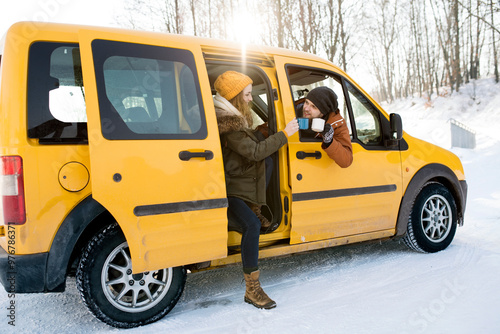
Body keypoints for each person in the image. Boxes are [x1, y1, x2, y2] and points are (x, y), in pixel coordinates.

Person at [213, 70, 299, 309]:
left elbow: (251, 147)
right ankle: (253, 289)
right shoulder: (229, 125)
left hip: (236, 181)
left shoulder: (233, 120)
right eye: (248, 95)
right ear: (236, 97)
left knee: (268, 162)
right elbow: (254, 151)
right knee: (251, 224)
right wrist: (284, 134)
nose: (251, 99)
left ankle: (254, 208)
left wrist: (263, 131)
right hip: (229, 191)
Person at [300, 86, 353, 168]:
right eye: (306, 102)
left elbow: (346, 160)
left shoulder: (336, 124)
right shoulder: (291, 110)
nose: (306, 108)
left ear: (323, 113)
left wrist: (329, 141)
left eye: (314, 106)